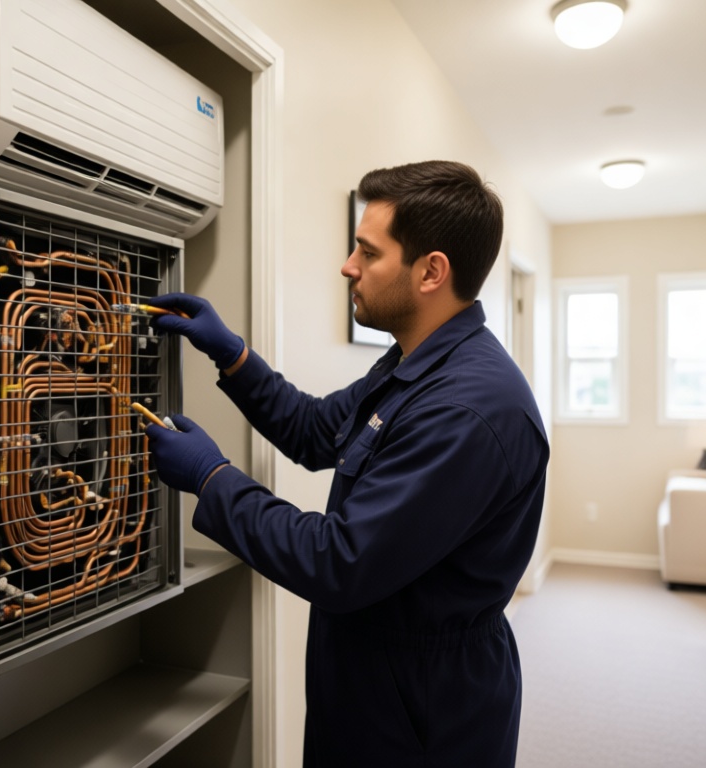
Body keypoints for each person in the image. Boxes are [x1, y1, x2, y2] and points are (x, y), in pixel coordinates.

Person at [144, 160, 548, 767]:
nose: (348, 265)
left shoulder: (468, 410)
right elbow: (316, 431)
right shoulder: (417, 361)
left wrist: (211, 478)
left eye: (367, 250)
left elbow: (339, 561)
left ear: (431, 271)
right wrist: (233, 355)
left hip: (423, 709)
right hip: (371, 676)